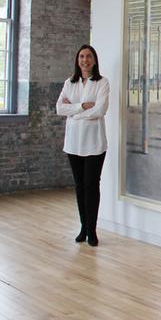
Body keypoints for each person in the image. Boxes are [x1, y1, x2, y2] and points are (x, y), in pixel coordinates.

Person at [56, 44, 110, 247]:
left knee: (91, 185)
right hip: (73, 143)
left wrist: (74, 112)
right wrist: (81, 106)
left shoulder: (102, 83)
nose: (84, 60)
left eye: (88, 56)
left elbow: (100, 110)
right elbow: (60, 108)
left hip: (94, 143)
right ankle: (83, 228)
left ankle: (93, 230)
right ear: (77, 60)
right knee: (79, 186)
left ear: (94, 60)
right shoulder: (69, 83)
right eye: (81, 56)